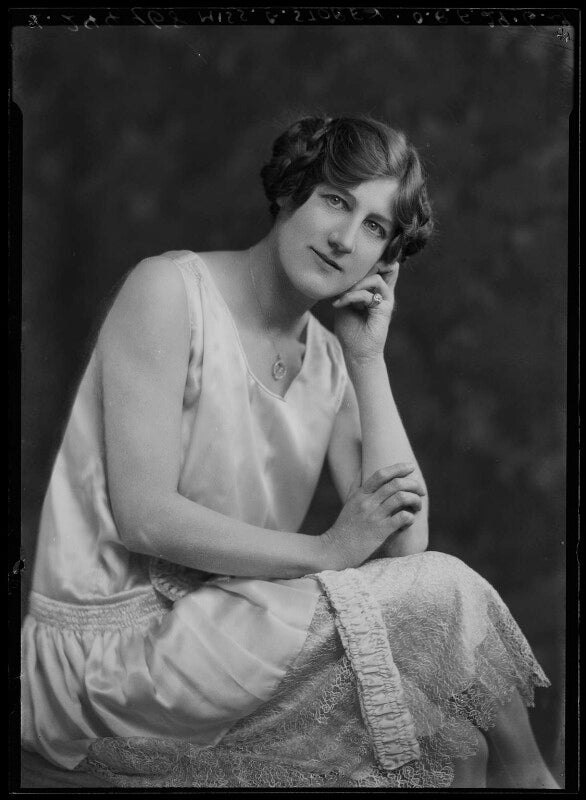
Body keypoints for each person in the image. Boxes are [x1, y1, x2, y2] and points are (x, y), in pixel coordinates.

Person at [21, 115, 560, 789]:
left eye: (374, 227)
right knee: (445, 593)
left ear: (386, 259)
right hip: (112, 654)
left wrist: (367, 357)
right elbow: (144, 518)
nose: (344, 239)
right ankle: (533, 779)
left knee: (453, 745)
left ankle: (527, 779)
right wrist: (325, 551)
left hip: (223, 634)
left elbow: (406, 543)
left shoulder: (331, 359)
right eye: (335, 200)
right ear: (288, 191)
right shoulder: (167, 291)